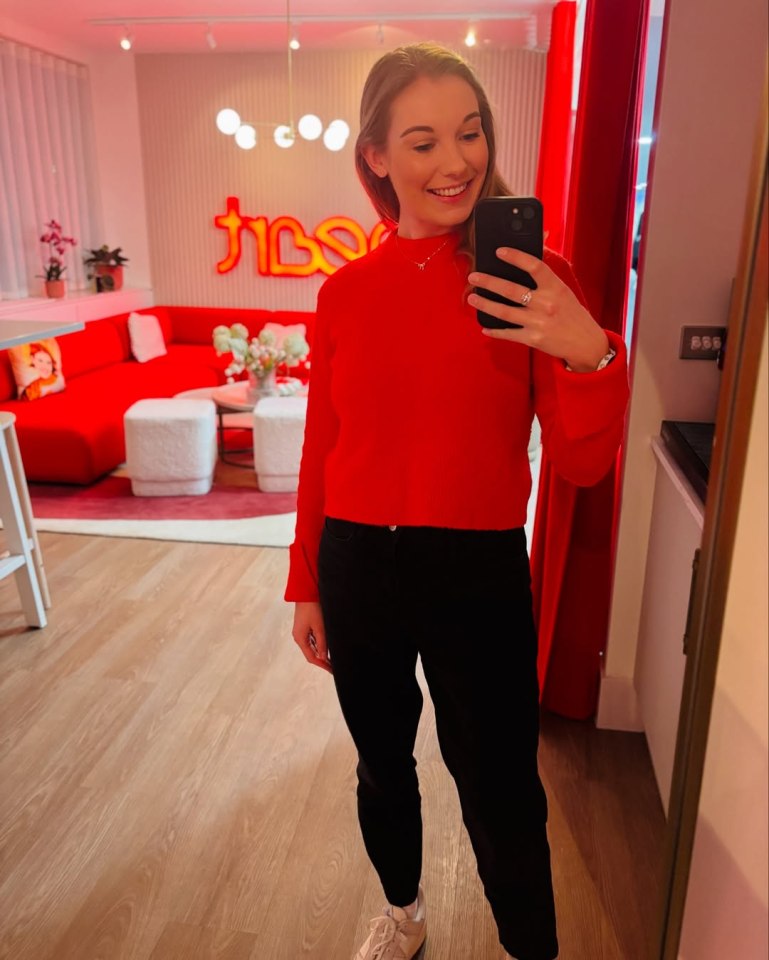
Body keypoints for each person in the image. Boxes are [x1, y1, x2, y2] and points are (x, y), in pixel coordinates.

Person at [285, 42, 629, 960]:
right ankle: (403, 915)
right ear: (377, 158)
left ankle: (532, 950)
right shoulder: (345, 293)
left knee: (500, 785)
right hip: (357, 561)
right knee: (381, 765)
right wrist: (305, 582)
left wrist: (588, 353)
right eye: (425, 141)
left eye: (470, 134)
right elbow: (325, 446)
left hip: (475, 568)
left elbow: (584, 466)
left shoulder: (531, 277)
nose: (456, 162)